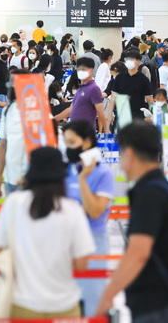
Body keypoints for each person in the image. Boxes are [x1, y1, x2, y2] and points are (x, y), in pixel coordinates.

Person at [95, 122, 168, 322]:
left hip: (158, 305)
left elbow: (138, 252)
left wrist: (108, 295)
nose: (120, 162)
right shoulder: (166, 189)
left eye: (121, 155)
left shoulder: (149, 195)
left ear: (130, 153)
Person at [0, 146, 95, 319]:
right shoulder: (72, 210)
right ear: (61, 178)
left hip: (23, 305)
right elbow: (82, 264)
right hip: (65, 305)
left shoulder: (14, 204)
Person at [62, 121, 115, 316]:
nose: (68, 148)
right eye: (65, 143)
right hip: (66, 244)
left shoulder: (104, 174)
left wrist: (83, 179)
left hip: (94, 243)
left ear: (86, 143)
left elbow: (95, 211)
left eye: (71, 142)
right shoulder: (65, 171)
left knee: (92, 305)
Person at [54, 58, 107, 132]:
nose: (80, 72)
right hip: (75, 131)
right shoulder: (80, 88)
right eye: (79, 69)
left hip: (86, 133)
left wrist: (107, 130)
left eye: (83, 69)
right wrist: (54, 119)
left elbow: (101, 112)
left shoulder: (94, 89)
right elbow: (70, 110)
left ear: (91, 70)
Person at [0, 69, 28, 195]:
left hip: (30, 179)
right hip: (10, 178)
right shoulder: (7, 111)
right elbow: (3, 144)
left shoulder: (38, 111)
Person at [111, 51, 154, 121]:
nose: (128, 61)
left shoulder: (143, 79)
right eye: (127, 59)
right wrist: (110, 113)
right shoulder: (119, 77)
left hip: (138, 114)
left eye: (131, 59)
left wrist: (152, 114)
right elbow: (114, 96)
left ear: (138, 61)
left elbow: (149, 98)